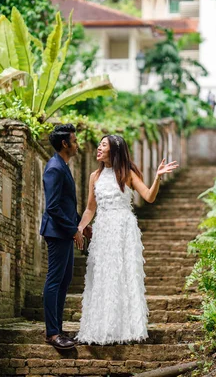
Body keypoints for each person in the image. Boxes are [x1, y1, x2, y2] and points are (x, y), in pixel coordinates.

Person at [75, 135, 179, 345]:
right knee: (103, 277)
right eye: (100, 144)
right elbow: (90, 208)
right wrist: (80, 226)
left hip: (124, 230)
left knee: (123, 276)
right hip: (103, 231)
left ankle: (126, 328)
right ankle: (102, 329)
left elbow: (149, 196)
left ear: (114, 150)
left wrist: (157, 177)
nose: (98, 148)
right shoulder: (94, 176)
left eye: (103, 145)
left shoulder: (128, 174)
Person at [40, 124, 86, 349]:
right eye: (74, 141)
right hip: (57, 232)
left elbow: (67, 205)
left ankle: (58, 328)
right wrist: (73, 230)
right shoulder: (54, 168)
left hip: (65, 230)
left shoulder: (63, 166)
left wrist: (81, 225)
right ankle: (52, 333)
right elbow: (53, 207)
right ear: (65, 144)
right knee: (55, 280)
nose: (77, 145)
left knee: (64, 280)